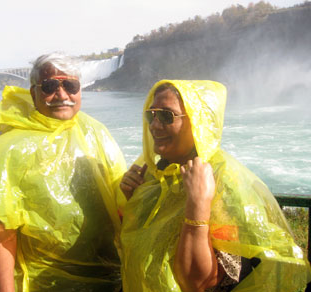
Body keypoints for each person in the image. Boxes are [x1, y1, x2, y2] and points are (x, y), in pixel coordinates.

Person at [119, 80, 311, 292]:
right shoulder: (159, 174)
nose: (154, 125)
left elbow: (199, 283)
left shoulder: (225, 183)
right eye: (151, 115)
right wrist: (136, 199)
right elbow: (150, 245)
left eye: (166, 115)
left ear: (198, 122)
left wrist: (198, 204)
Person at [0, 53, 127, 292]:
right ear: (33, 93)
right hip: (40, 281)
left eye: (70, 85)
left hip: (106, 275)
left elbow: (121, 197)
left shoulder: (95, 132)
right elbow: (3, 233)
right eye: (50, 86)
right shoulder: (9, 150)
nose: (62, 95)